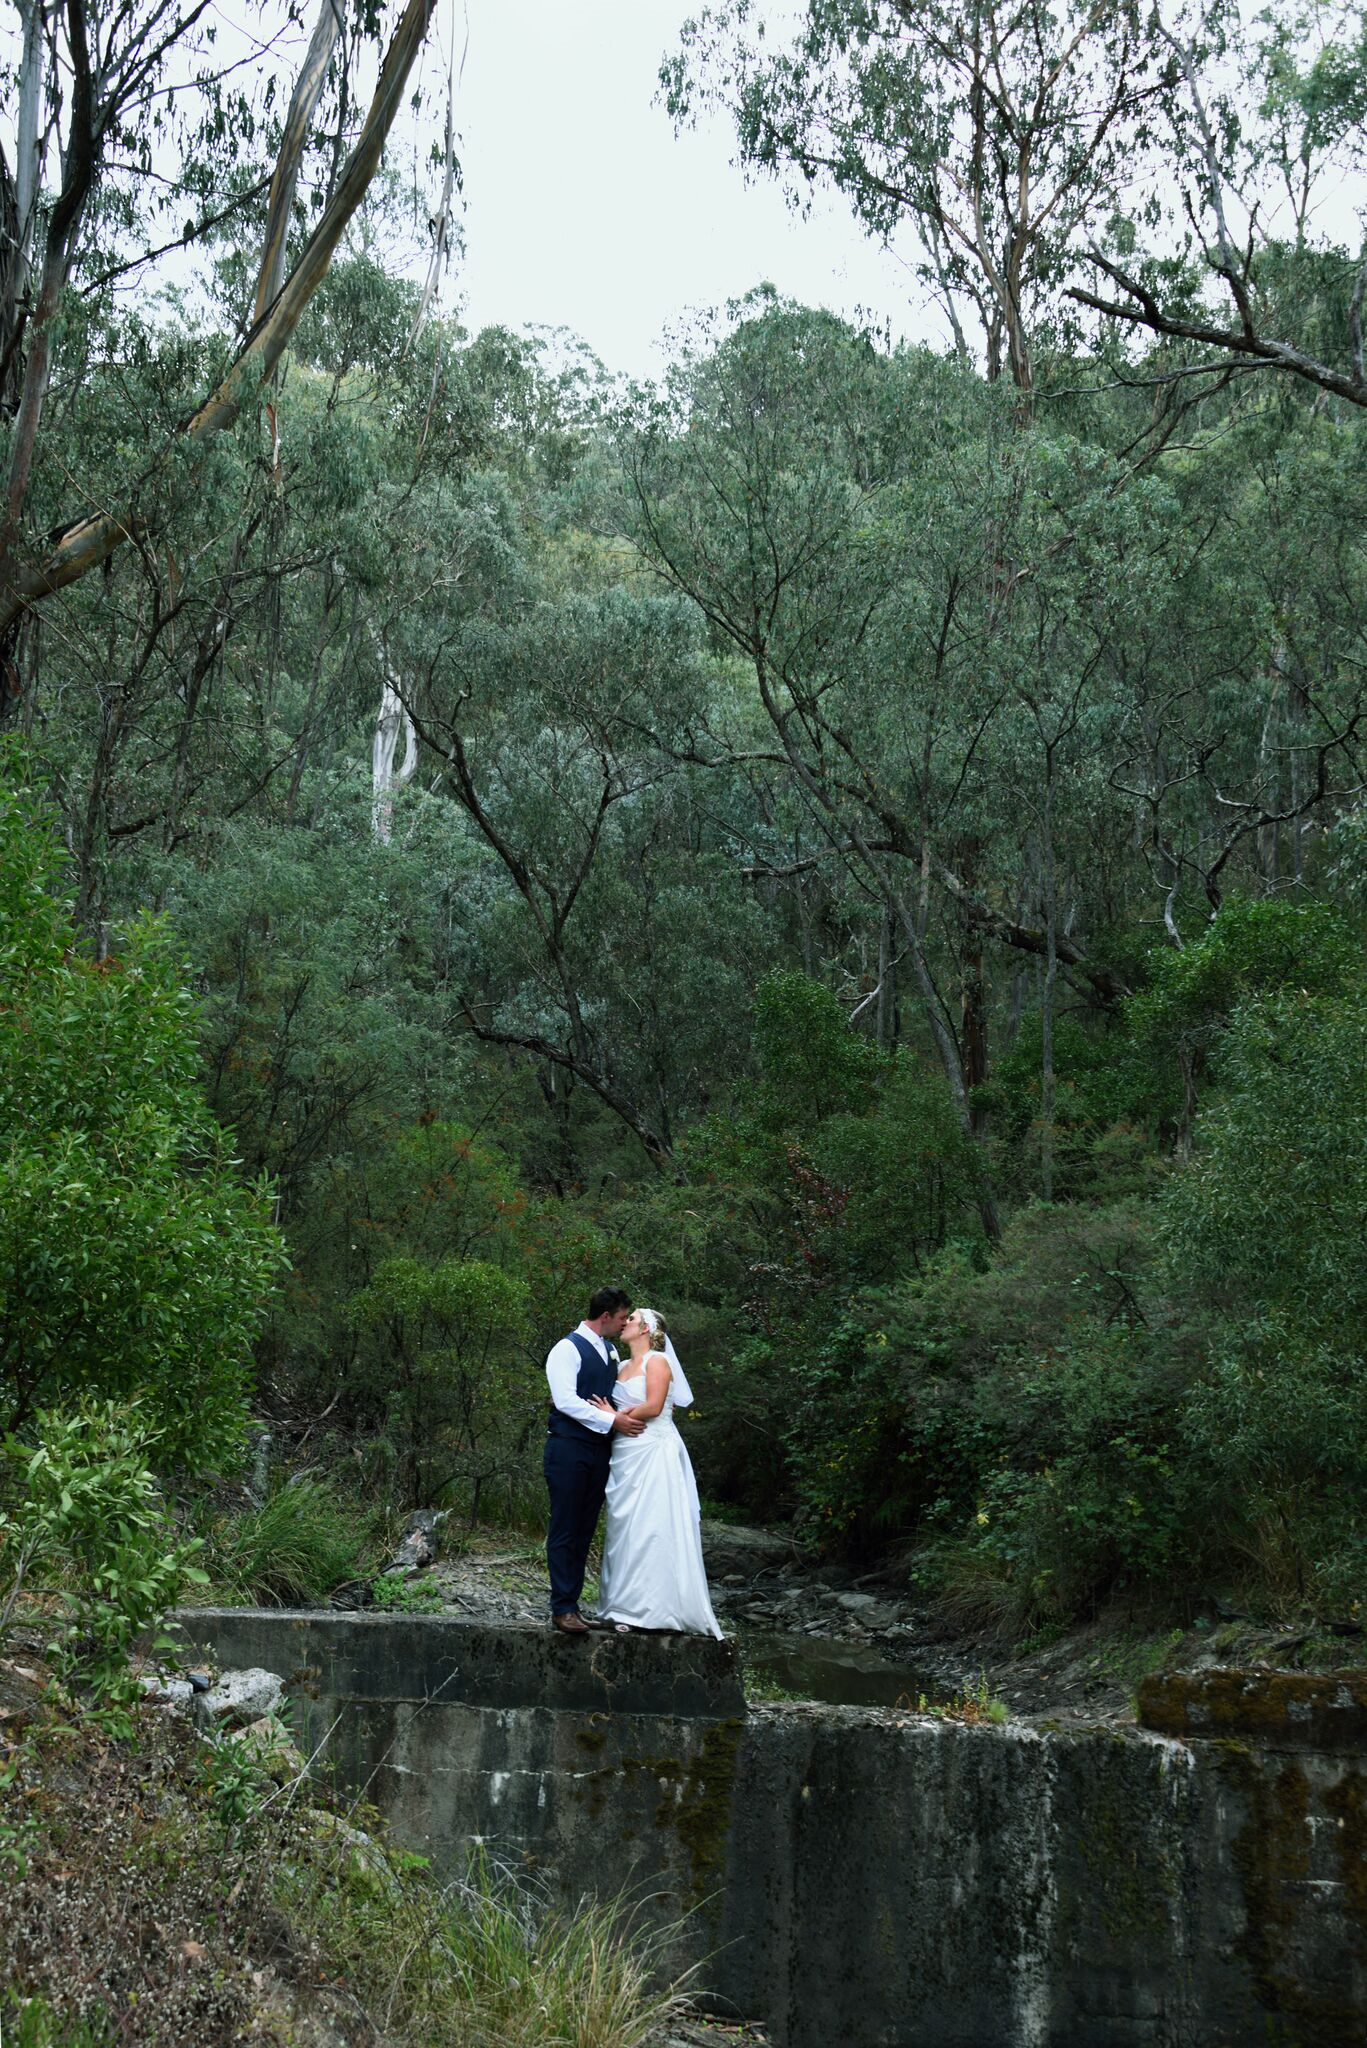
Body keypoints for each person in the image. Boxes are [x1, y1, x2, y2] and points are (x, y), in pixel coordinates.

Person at [591, 1306, 723, 1637]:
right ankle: (618, 1605)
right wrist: (609, 1415)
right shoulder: (621, 1366)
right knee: (625, 1527)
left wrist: (614, 1415)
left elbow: (653, 1406)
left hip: (653, 1450)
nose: (625, 1322)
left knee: (651, 1525)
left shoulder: (658, 1362)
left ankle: (651, 1610)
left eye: (632, 1319)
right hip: (625, 1450)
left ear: (646, 1329)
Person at [543, 1287, 642, 1635]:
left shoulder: (610, 1350)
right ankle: (562, 1608)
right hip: (568, 1449)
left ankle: (572, 1604)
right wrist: (612, 1421)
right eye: (621, 1318)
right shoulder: (566, 1349)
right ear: (605, 1316)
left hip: (600, 1451)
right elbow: (565, 1401)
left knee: (584, 1529)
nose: (623, 1324)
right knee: (565, 1527)